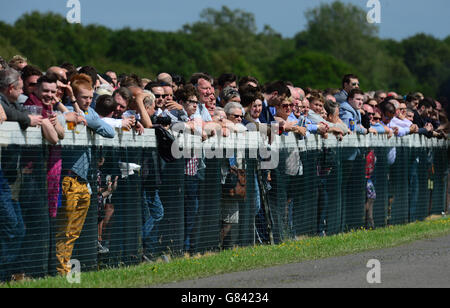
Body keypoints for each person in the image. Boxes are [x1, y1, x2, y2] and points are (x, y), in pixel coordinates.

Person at [55, 73, 115, 276]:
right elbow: (74, 122)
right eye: (83, 97)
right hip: (68, 178)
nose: (88, 101)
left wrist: (88, 120)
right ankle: (60, 270)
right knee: (66, 228)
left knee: (75, 230)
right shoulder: (67, 111)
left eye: (90, 98)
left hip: (83, 181)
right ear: (74, 96)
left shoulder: (89, 113)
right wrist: (74, 106)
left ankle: (64, 269)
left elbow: (109, 131)